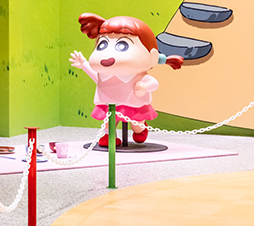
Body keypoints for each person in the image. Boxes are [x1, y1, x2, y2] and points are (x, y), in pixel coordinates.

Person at [70, 13, 183, 146]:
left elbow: (153, 83)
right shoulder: (104, 74)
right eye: (102, 45)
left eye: (123, 45)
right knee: (109, 122)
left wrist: (145, 87)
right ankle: (109, 136)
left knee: (136, 124)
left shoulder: (138, 76)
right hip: (109, 105)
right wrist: (84, 64)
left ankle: (141, 129)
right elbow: (97, 78)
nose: (108, 56)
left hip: (134, 105)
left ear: (152, 55)